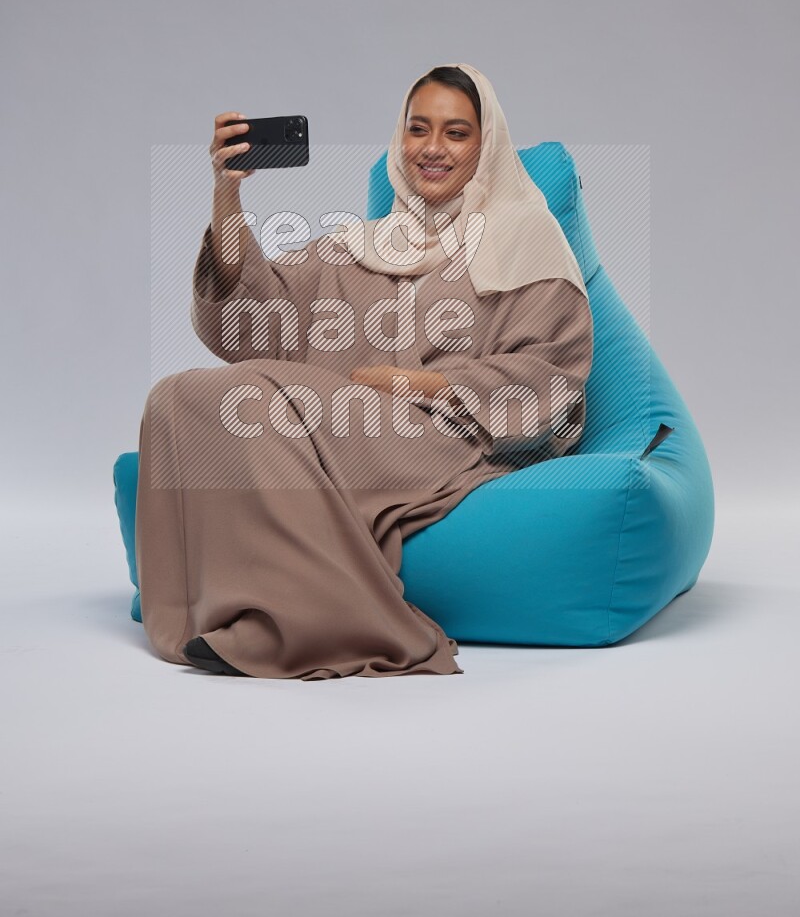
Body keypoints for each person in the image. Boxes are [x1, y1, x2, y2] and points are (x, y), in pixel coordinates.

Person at [135, 63, 594, 679]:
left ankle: (326, 624)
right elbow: (244, 322)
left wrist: (419, 385)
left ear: (487, 147)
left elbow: (551, 379)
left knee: (261, 402)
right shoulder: (362, 245)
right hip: (344, 424)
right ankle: (224, 609)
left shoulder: (525, 240)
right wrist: (227, 195)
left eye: (456, 133)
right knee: (177, 396)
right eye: (418, 129)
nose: (432, 149)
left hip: (449, 434)